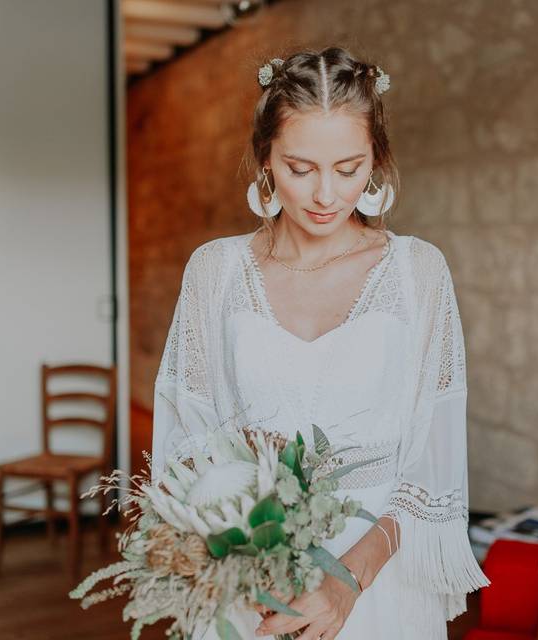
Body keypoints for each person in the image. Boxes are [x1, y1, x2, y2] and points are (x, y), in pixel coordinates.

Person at [149, 46, 490, 640]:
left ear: (376, 161)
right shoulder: (215, 272)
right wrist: (254, 561)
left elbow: (432, 465)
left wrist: (344, 583)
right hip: (252, 586)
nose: (326, 194)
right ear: (264, 160)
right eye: (301, 168)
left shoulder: (417, 273)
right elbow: (188, 440)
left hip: (380, 585)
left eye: (349, 167)